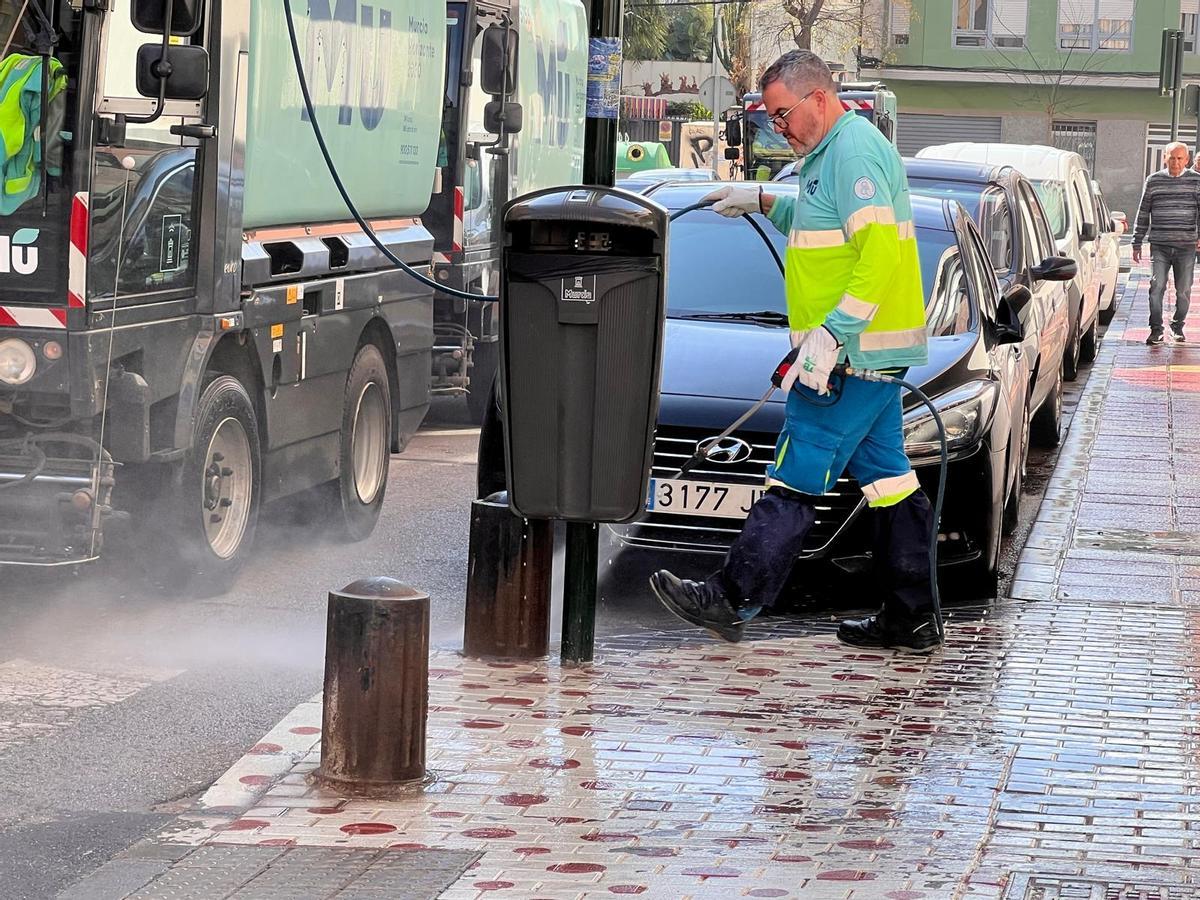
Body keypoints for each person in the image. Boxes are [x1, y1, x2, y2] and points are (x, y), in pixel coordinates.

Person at [648, 50, 940, 654]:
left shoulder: (852, 152)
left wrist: (832, 333)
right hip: (865, 352)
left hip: (848, 354)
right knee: (891, 484)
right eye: (770, 119)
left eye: (782, 115)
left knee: (794, 475)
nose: (777, 127)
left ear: (819, 98)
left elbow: (879, 253)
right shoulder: (825, 155)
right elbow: (819, 228)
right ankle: (911, 616)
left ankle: (732, 597)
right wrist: (761, 200)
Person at [1132, 141, 1200, 345]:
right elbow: (1143, 211)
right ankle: (1156, 329)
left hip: (1186, 245)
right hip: (1159, 244)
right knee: (1156, 286)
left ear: (1187, 160)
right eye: (1172, 157)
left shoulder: (1196, 181)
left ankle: (1177, 325)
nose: (1175, 162)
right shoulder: (1153, 181)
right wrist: (1137, 242)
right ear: (1165, 158)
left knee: (1184, 290)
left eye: (1180, 158)